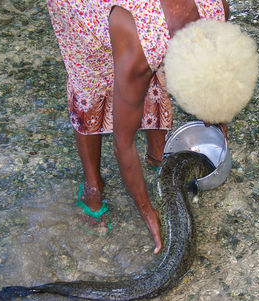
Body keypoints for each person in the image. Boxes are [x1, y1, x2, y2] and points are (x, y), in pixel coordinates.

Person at [47, 0, 230, 254]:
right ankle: (93, 185)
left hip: (145, 28)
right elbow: (123, 144)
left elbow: (214, 67)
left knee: (151, 74)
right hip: (83, 9)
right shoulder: (141, 46)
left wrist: (216, 110)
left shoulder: (215, 9)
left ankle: (158, 155)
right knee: (90, 83)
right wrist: (146, 209)